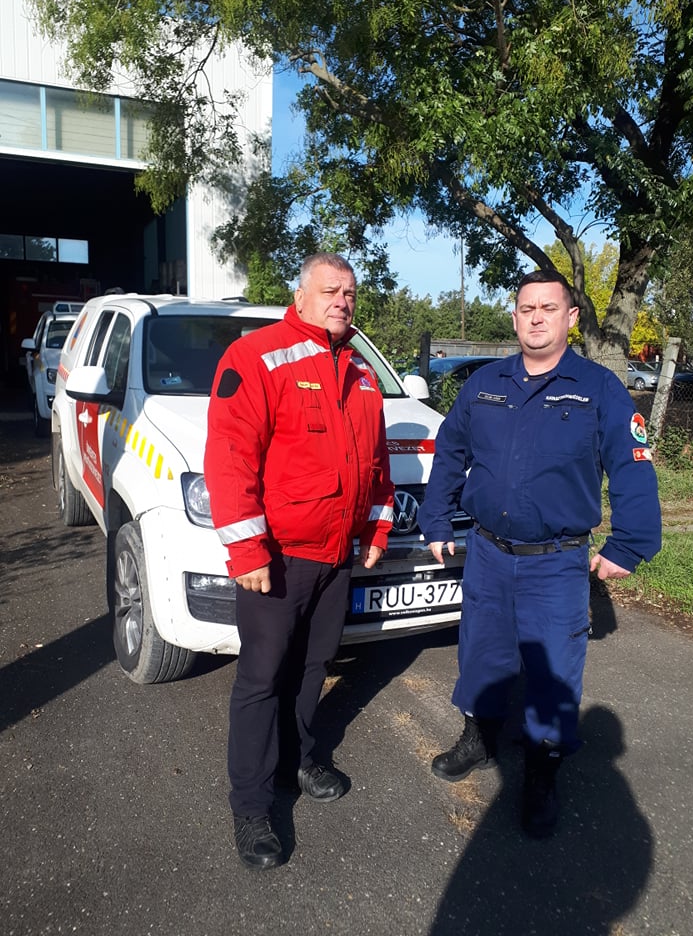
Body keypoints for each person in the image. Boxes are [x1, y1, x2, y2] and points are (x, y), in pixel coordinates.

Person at [418, 268, 661, 838]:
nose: (535, 317)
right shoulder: (484, 384)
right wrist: (435, 518)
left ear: (571, 318)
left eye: (548, 308)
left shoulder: (598, 388)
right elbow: (450, 451)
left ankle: (541, 775)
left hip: (557, 561)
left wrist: (628, 543)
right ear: (514, 316)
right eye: (526, 308)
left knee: (553, 672)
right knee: (484, 654)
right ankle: (478, 738)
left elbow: (633, 466)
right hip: (488, 554)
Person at [204, 252, 394, 870]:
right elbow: (230, 458)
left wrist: (376, 528)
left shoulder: (363, 373)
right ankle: (252, 806)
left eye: (350, 293)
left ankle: (299, 761)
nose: (342, 300)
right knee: (261, 681)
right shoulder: (257, 356)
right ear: (303, 294)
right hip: (279, 559)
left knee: (314, 667)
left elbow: (375, 466)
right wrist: (246, 548)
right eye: (330, 290)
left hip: (336, 557)